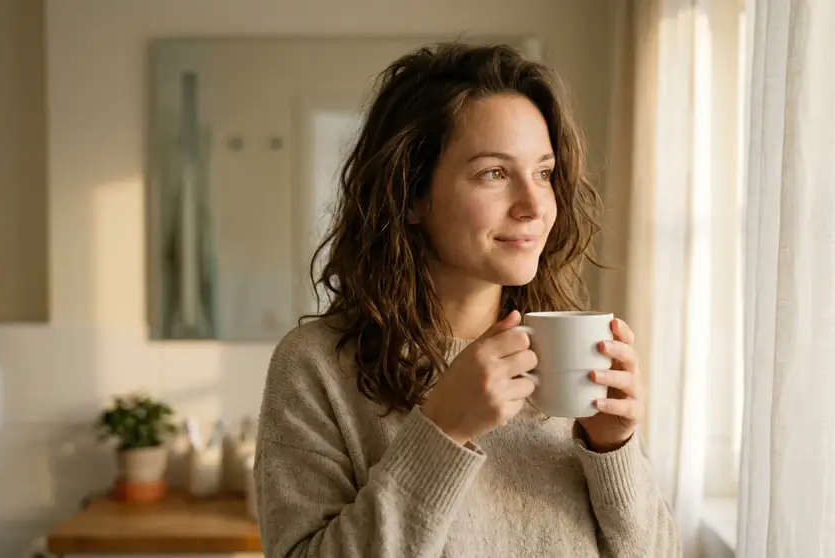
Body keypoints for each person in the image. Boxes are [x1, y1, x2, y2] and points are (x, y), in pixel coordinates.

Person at [253, 42, 680, 557]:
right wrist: (442, 431)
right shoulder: (315, 367)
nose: (532, 206)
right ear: (412, 196)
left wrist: (614, 449)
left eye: (543, 173)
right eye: (493, 173)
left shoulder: (569, 357)